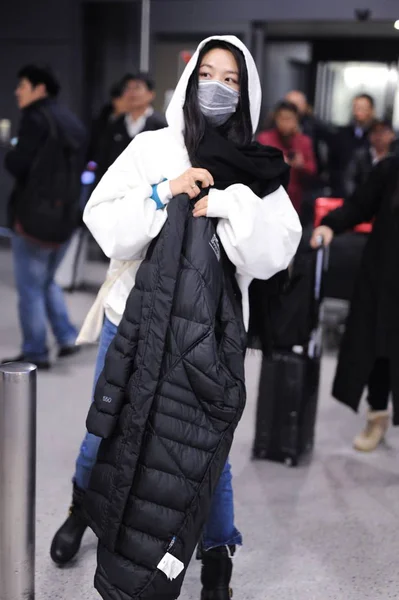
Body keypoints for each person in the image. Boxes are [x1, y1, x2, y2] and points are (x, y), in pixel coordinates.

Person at [50, 35, 301, 599]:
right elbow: (105, 220)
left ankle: (217, 555)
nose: (217, 86)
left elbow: (276, 250)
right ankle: (82, 510)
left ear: (246, 92)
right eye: (207, 73)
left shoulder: (255, 167)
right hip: (132, 322)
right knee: (108, 426)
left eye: (231, 79)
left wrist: (231, 203)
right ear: (190, 81)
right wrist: (167, 192)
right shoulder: (153, 149)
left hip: (207, 335)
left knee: (205, 451)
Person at [311, 152, 399, 453]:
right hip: (386, 275)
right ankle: (377, 415)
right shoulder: (391, 168)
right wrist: (331, 225)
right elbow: (359, 205)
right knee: (381, 348)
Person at [2, 65, 86, 369]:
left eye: (22, 85)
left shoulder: (35, 120)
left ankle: (36, 352)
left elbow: (18, 164)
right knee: (47, 280)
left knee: (30, 289)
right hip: (64, 216)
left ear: (40, 89)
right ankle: (65, 337)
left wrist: (9, 153)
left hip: (34, 218)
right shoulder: (71, 121)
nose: (17, 91)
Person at [96, 72, 166, 178]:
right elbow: (103, 161)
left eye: (137, 88)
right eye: (127, 88)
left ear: (151, 94)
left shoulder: (161, 126)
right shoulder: (113, 126)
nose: (132, 93)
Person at [257, 100, 317, 216]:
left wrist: (301, 165)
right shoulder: (265, 138)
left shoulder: (304, 141)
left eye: (289, 119)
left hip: (296, 201)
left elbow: (313, 172)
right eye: (282, 118)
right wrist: (276, 164)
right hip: (268, 198)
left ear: (297, 120)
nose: (285, 123)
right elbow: (257, 167)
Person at [285, 89, 335, 190]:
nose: (294, 108)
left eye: (297, 104)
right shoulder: (273, 126)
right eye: (290, 104)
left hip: (310, 177)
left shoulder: (314, 125)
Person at [331, 93, 376, 196]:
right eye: (356, 107)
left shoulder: (377, 137)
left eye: (363, 108)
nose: (358, 111)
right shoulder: (340, 135)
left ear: (371, 110)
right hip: (342, 191)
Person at [86, 76, 133, 165]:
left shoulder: (131, 121)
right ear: (116, 100)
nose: (130, 103)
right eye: (126, 99)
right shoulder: (103, 117)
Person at [344, 119, 395, 197]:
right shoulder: (360, 156)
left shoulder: (395, 159)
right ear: (370, 136)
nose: (379, 136)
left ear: (392, 135)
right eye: (375, 132)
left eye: (383, 132)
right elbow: (349, 180)